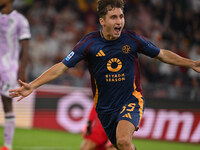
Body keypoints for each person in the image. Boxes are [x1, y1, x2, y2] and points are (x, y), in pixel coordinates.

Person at [9, 0, 200, 149]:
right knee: (120, 145)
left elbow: (161, 54)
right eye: (114, 17)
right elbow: (61, 67)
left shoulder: (131, 39)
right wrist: (32, 85)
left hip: (130, 100)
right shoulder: (89, 43)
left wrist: (191, 63)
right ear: (102, 21)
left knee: (123, 141)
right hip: (104, 109)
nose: (119, 21)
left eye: (121, 16)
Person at [0, 0, 31, 150]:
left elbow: (25, 47)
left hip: (8, 68)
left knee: (7, 103)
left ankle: (7, 145)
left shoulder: (20, 20)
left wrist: (22, 70)